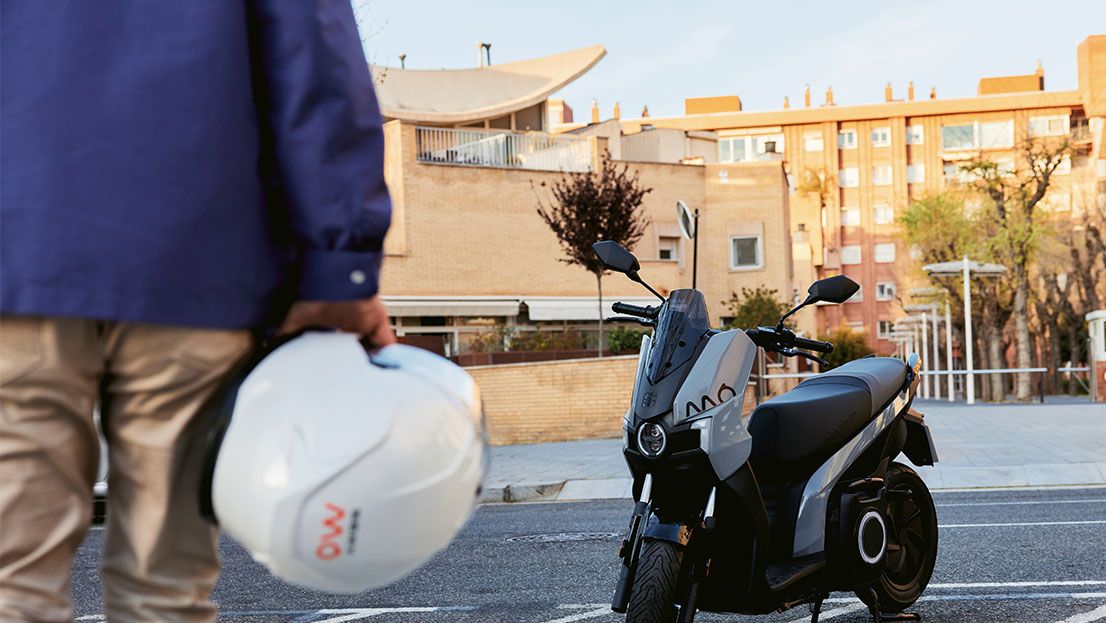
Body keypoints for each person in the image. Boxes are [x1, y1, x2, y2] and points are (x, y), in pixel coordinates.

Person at [0, 3, 394, 621]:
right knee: (163, 592)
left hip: (17, 253)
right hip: (195, 259)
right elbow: (317, 68)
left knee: (9, 584)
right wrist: (340, 267)